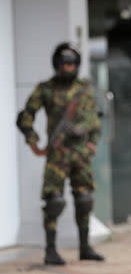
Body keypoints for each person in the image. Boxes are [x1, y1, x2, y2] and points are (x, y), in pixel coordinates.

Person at [17, 42, 104, 265]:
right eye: (63, 63)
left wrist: (93, 141)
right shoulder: (45, 89)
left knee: (85, 200)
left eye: (71, 63)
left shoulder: (85, 88)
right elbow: (25, 117)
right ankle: (51, 250)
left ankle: (85, 247)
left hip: (82, 154)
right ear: (56, 63)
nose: (67, 67)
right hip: (57, 155)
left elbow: (95, 119)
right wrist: (33, 142)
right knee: (54, 202)